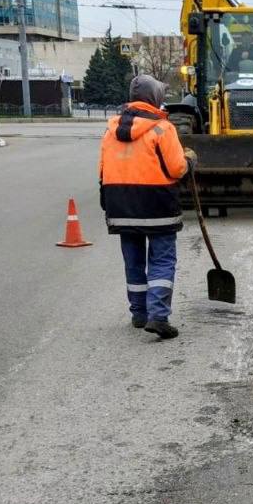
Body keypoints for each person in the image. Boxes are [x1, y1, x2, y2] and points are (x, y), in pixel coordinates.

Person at [99, 74, 198, 340]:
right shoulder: (162, 129)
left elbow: (103, 169)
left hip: (120, 206)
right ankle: (158, 316)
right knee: (162, 260)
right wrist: (190, 160)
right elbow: (176, 168)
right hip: (157, 206)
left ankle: (139, 313)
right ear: (154, 97)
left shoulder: (111, 130)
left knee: (133, 261)